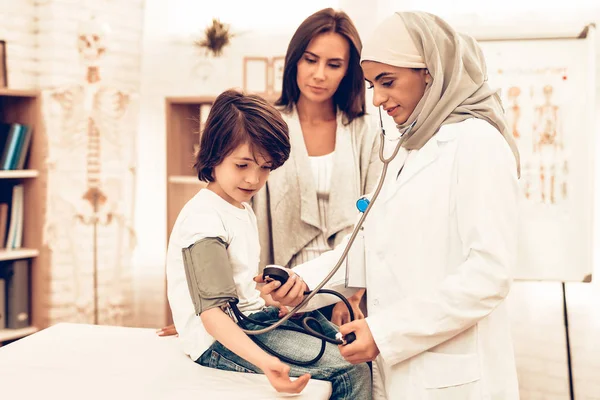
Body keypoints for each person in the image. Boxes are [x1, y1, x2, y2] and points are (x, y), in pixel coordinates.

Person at [260, 11, 522, 399]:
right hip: (403, 369)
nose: (378, 99)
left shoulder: (478, 144)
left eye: (388, 82)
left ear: (430, 73)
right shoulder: (407, 146)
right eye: (372, 85)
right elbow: (373, 245)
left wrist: (387, 332)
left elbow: (489, 274)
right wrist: (302, 281)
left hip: (454, 376)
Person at [157, 8, 381, 336]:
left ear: (349, 71)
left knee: (348, 373)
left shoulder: (366, 131)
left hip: (345, 284)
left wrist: (352, 293)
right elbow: (239, 210)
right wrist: (213, 314)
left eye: (334, 64)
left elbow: (373, 218)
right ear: (294, 61)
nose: (320, 74)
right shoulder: (268, 125)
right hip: (276, 289)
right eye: (310, 60)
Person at [165, 89, 372, 398]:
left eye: (265, 168)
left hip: (250, 323)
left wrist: (276, 303)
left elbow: (237, 296)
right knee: (350, 370)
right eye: (242, 165)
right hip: (219, 342)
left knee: (348, 345)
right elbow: (212, 316)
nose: (253, 179)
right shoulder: (204, 220)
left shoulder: (238, 208)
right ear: (214, 152)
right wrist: (268, 363)